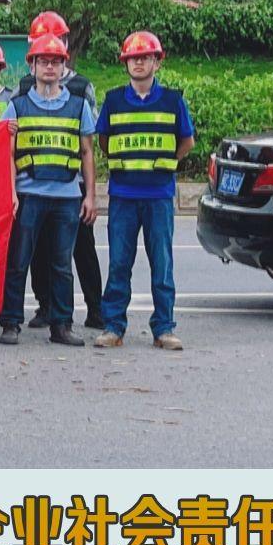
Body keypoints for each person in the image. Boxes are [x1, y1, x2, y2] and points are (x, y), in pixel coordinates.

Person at [94, 31, 195, 351]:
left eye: (145, 57)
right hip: (123, 195)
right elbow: (104, 141)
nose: (138, 63)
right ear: (125, 63)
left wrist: (166, 163)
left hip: (158, 195)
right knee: (118, 265)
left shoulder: (173, 101)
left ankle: (164, 328)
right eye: (133, 58)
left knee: (162, 265)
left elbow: (187, 141)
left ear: (157, 62)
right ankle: (113, 327)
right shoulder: (113, 100)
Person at [0, 34, 97, 348]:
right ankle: (11, 322)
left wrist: (90, 196)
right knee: (18, 262)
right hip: (29, 194)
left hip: (67, 197)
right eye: (43, 61)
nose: (50, 67)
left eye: (55, 61)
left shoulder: (79, 106)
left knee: (61, 266)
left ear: (63, 65)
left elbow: (87, 153)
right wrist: (11, 193)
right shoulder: (16, 106)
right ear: (33, 66)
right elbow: (6, 154)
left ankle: (61, 325)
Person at [14, 11, 104, 330]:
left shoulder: (81, 86)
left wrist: (90, 192)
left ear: (65, 44)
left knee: (81, 248)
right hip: (36, 178)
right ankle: (45, 306)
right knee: (38, 250)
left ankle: (95, 308)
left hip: (71, 181)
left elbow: (88, 140)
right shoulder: (26, 84)